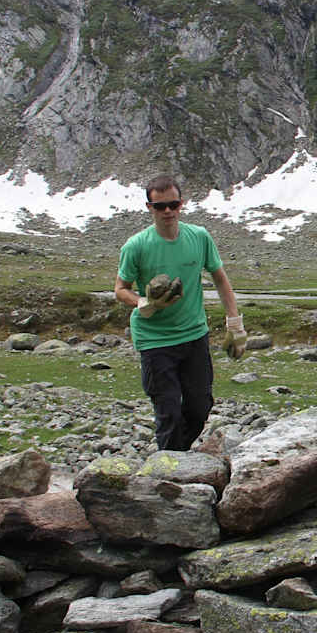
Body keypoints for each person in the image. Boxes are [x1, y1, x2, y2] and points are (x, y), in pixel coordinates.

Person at [115, 175, 248, 451]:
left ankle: (177, 456)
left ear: (181, 204)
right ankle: (169, 465)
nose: (168, 211)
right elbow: (120, 289)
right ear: (149, 208)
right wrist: (145, 303)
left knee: (200, 407)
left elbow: (220, 279)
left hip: (194, 335)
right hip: (154, 340)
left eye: (173, 205)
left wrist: (235, 325)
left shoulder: (199, 237)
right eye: (160, 206)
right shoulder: (136, 246)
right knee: (169, 412)